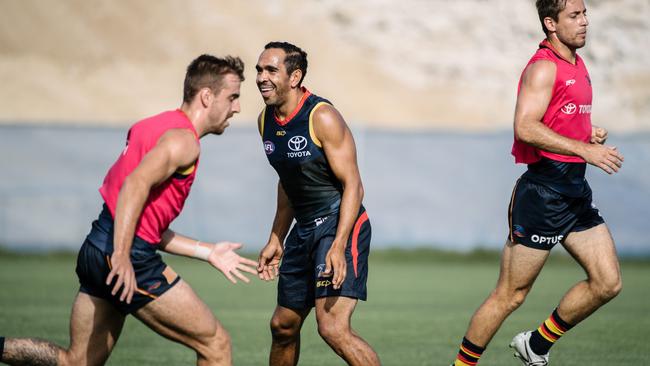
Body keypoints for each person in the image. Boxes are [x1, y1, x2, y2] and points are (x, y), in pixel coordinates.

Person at [0, 54, 258, 366]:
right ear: (206, 96)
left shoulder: (152, 126)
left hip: (98, 244)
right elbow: (133, 186)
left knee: (77, 362)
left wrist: (208, 252)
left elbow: (143, 219)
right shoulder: (184, 141)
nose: (237, 108)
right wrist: (121, 256)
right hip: (126, 256)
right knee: (216, 345)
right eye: (232, 97)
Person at [451, 1, 624, 365]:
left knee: (607, 282)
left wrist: (586, 134)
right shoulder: (544, 67)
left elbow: (555, 117)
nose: (584, 22)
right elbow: (525, 126)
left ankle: (536, 345)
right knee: (510, 295)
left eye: (584, 14)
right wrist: (583, 148)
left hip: (575, 193)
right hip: (542, 194)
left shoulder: (576, 62)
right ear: (550, 23)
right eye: (574, 16)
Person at [254, 42, 380, 366]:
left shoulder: (321, 116)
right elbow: (288, 181)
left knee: (333, 328)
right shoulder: (265, 121)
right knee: (283, 325)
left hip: (340, 224)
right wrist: (276, 237)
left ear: (295, 76)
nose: (261, 78)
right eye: (258, 70)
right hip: (303, 228)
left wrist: (338, 245)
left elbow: (354, 186)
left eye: (271, 70)